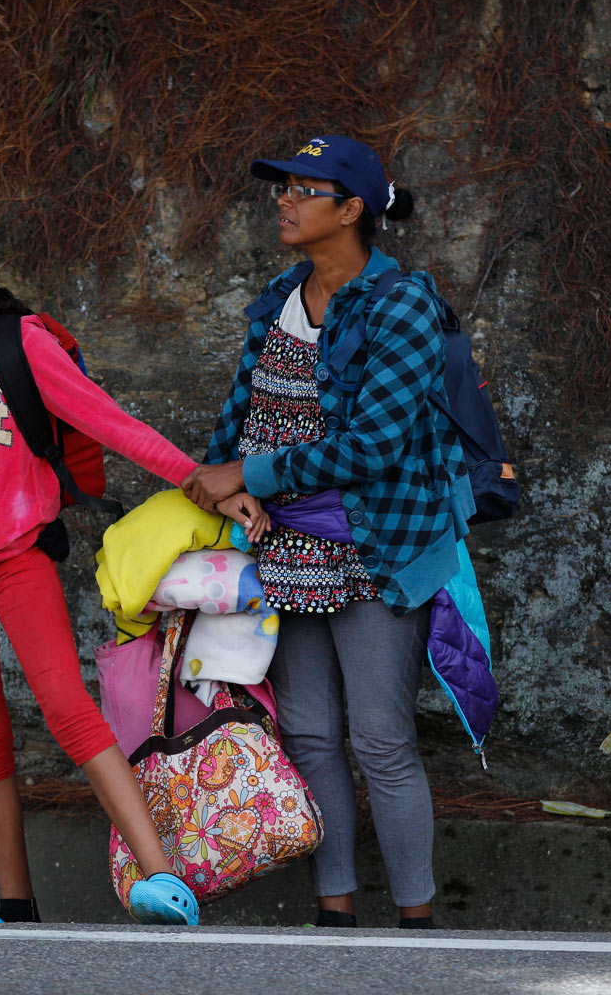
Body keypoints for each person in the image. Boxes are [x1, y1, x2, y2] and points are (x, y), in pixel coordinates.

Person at [0, 191, 253, 926]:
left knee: (67, 708)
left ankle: (164, 879)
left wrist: (201, 487)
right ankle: (16, 906)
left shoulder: (20, 345)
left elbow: (114, 425)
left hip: (15, 558)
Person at [182, 136, 468, 929]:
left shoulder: (403, 303)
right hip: (285, 549)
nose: (287, 200)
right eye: (286, 187)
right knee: (309, 734)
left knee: (381, 740)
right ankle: (333, 914)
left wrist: (249, 476)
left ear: (352, 211)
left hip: (377, 547)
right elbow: (239, 417)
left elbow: (374, 446)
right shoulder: (280, 295)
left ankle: (417, 921)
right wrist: (224, 480)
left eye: (308, 189)